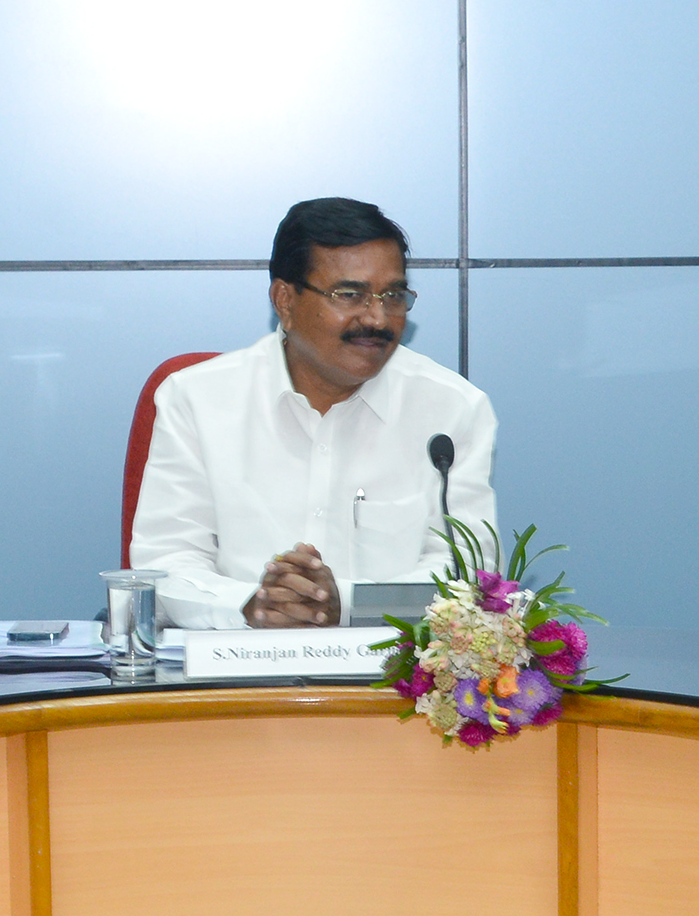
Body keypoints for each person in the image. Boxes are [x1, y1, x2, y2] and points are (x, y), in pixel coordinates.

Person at [131, 196, 500, 628]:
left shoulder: (452, 409)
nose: (378, 318)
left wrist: (345, 604)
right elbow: (165, 562)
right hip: (233, 675)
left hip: (386, 684)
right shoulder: (197, 398)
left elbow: (467, 574)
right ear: (284, 300)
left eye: (393, 295)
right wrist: (250, 606)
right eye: (350, 294)